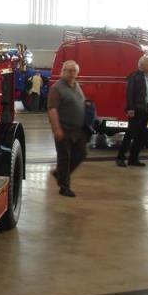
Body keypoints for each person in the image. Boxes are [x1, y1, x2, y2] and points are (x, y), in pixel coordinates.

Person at [47, 60, 87, 197]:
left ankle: (60, 174)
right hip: (64, 128)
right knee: (65, 158)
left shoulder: (77, 86)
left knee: (81, 153)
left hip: (78, 129)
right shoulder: (56, 88)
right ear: (62, 72)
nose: (71, 73)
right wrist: (56, 128)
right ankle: (64, 187)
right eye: (68, 70)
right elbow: (52, 109)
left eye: (74, 71)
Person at [116, 55, 148, 167]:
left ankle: (133, 159)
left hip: (146, 109)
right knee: (130, 135)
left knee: (141, 136)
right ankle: (120, 158)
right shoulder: (134, 76)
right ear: (142, 65)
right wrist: (130, 109)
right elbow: (129, 94)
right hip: (136, 110)